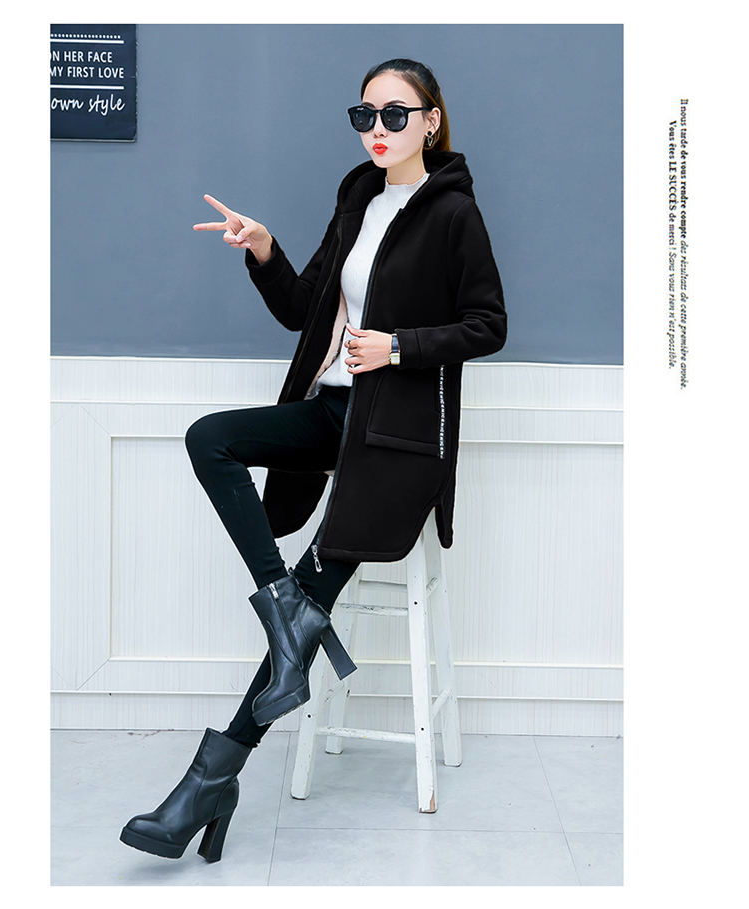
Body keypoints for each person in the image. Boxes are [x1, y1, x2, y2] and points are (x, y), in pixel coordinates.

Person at [120, 57, 507, 863]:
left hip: (397, 439)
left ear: (431, 121)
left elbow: (489, 324)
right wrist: (265, 250)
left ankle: (209, 781)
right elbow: (304, 310)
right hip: (333, 414)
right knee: (210, 438)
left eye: (395, 114)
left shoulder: (453, 213)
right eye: (365, 115)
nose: (378, 130)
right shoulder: (358, 196)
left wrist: (398, 347)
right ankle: (282, 605)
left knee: (309, 600)